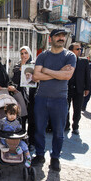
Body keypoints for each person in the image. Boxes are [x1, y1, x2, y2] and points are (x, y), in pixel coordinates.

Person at [32, 29, 76, 171]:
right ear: (51, 38)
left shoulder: (70, 56)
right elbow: (35, 77)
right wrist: (58, 72)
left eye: (63, 36)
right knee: (39, 129)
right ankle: (39, 155)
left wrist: (46, 70)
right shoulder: (43, 56)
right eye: (58, 36)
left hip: (60, 100)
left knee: (58, 132)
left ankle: (55, 157)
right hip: (41, 98)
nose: (61, 38)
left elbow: (67, 76)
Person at [11, 46, 36, 151]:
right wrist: (22, 67)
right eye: (22, 53)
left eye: (26, 53)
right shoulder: (17, 66)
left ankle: (31, 142)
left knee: (32, 120)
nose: (24, 55)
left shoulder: (34, 65)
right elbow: (15, 81)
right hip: (21, 97)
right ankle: (21, 140)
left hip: (33, 96)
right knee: (21, 119)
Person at [66, 43, 90, 134]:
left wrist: (87, 88)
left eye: (80, 49)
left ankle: (75, 126)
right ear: (71, 50)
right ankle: (66, 125)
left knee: (77, 109)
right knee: (65, 109)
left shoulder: (84, 61)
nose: (80, 51)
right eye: (77, 49)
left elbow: (87, 76)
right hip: (67, 89)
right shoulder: (65, 61)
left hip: (79, 90)